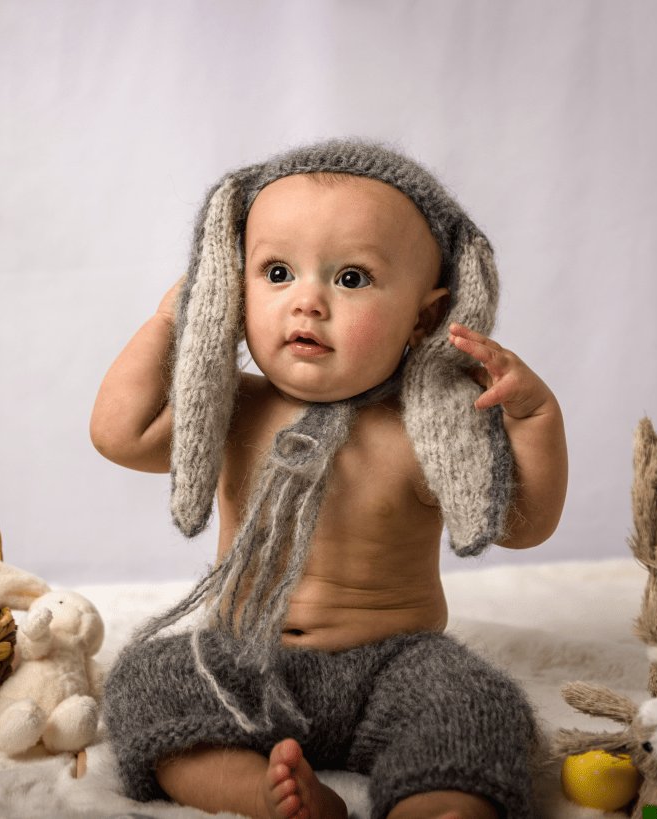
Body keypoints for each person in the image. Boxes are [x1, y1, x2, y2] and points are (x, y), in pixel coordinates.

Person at [90, 140, 567, 819]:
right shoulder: (230, 407)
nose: (307, 301)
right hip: (244, 662)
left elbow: (521, 524)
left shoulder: (427, 431)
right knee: (151, 678)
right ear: (233, 286)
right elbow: (120, 433)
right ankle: (258, 790)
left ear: (424, 317)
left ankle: (436, 804)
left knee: (477, 702)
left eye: (350, 279)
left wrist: (535, 417)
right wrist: (172, 321)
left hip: (395, 666)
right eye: (277, 271)